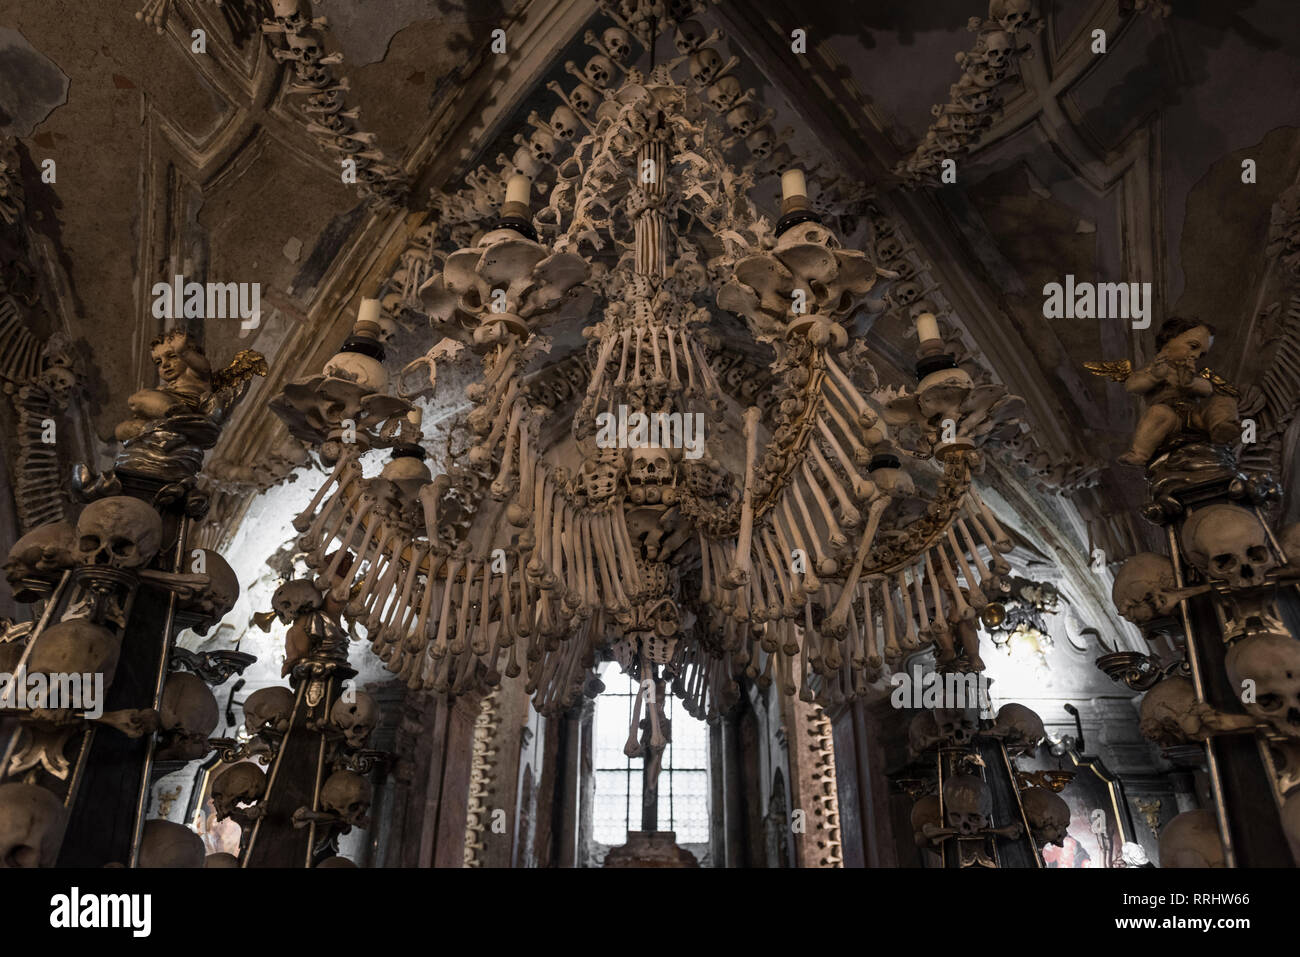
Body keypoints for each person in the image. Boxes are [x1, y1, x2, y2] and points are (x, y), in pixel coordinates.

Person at [1118, 317, 1238, 466]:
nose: (1195, 355)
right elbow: (1132, 386)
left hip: (1194, 415)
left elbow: (1207, 389)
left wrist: (1190, 383)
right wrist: (1154, 377)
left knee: (1223, 401)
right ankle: (1140, 454)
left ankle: (1221, 427)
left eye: (1201, 354)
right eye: (1193, 346)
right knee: (1158, 413)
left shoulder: (1190, 372)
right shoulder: (1154, 369)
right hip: (1170, 417)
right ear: (1168, 341)